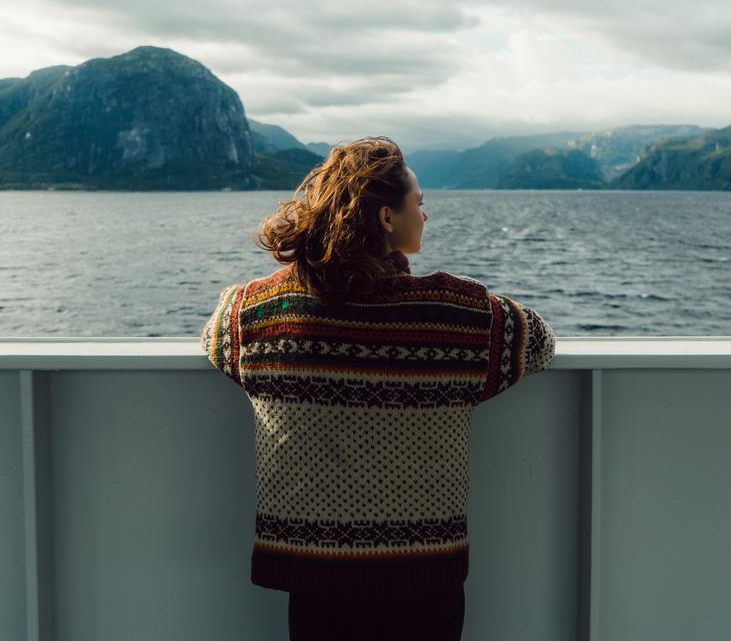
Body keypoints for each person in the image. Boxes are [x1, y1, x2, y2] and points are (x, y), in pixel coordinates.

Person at [201, 135, 557, 641]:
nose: (425, 215)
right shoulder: (452, 318)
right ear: (387, 218)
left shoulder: (259, 314)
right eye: (419, 203)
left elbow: (216, 331)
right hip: (422, 577)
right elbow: (538, 341)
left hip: (316, 575)